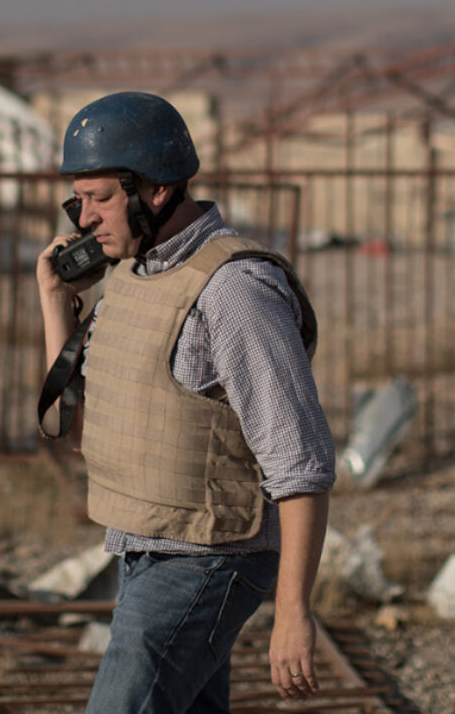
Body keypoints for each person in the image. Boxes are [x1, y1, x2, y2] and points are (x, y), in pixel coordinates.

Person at [35, 91, 335, 713]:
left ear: (157, 191)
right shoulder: (132, 274)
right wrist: (54, 302)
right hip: (143, 544)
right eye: (76, 201)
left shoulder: (234, 291)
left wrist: (293, 612)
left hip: (207, 559)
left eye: (98, 199)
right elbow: (79, 426)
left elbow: (300, 461)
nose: (83, 219)